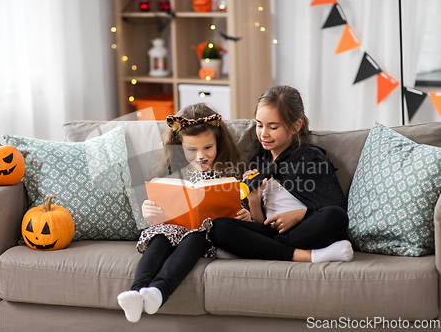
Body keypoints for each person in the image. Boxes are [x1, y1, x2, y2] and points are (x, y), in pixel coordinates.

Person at [117, 103, 250, 323]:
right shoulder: (171, 172)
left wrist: (245, 216)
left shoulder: (231, 171)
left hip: (206, 235)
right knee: (160, 236)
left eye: (208, 148)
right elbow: (155, 211)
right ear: (179, 147)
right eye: (192, 150)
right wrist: (148, 211)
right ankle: (136, 292)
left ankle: (159, 292)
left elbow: (243, 210)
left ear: (219, 143)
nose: (201, 156)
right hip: (173, 229)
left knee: (196, 236)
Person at [210, 85, 354, 263]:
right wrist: (254, 200)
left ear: (295, 126)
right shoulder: (258, 163)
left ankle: (262, 248)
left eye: (273, 127)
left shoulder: (309, 157)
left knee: (336, 217)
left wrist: (301, 214)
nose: (263, 134)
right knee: (218, 227)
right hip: (271, 232)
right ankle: (306, 256)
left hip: (304, 229)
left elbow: (335, 206)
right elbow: (261, 222)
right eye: (260, 125)